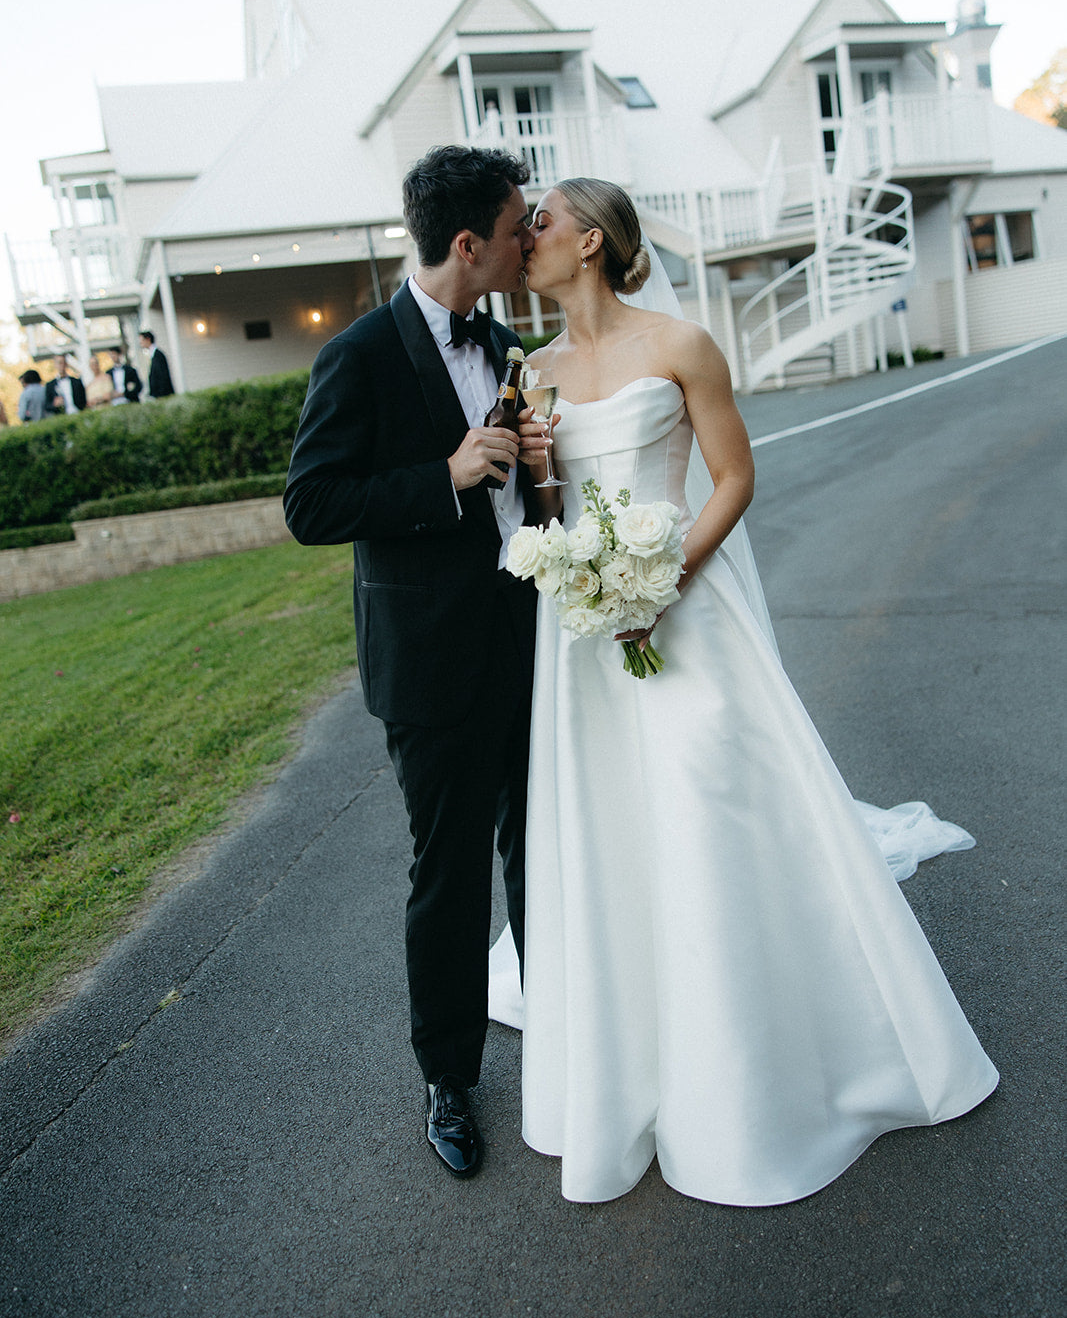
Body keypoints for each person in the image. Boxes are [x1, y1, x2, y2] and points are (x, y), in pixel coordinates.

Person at [493, 177, 998, 1207]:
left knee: (709, 798)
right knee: (611, 822)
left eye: (539, 221)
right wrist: (543, 484)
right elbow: (546, 510)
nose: (523, 237)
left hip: (682, 602)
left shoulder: (681, 344)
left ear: (589, 240)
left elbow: (731, 478)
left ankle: (750, 1058)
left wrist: (662, 581)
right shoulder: (528, 372)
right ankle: (635, 1049)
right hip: (583, 627)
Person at [284, 145, 550, 1178]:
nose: (529, 241)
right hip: (430, 664)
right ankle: (447, 1078)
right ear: (468, 243)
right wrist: (441, 475)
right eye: (518, 228)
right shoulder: (356, 356)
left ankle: (566, 1031)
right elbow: (312, 504)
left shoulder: (507, 342)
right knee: (447, 873)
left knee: (542, 849)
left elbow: (518, 497)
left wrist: (535, 472)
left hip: (525, 637)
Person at [140, 330, 175, 398]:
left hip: (163, 395)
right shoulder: (152, 355)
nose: (140, 343)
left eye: (142, 340)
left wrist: (161, 395)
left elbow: (162, 376)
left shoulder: (158, 355)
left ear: (148, 339)